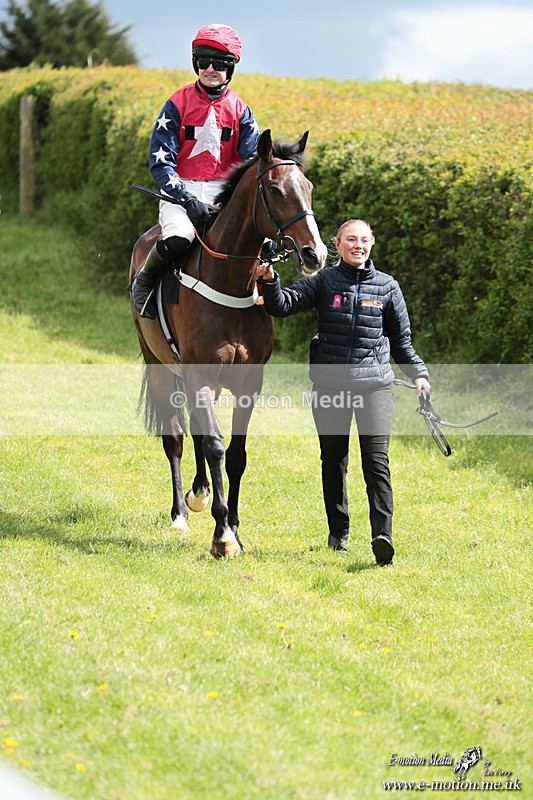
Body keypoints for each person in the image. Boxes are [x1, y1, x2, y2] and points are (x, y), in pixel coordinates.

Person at [257, 219, 431, 566]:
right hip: (330, 388)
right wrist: (271, 282)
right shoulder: (323, 281)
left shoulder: (388, 287)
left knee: (376, 463)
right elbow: (284, 305)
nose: (358, 245)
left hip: (375, 388)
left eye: (364, 240)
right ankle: (338, 534)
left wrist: (419, 376)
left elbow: (402, 343)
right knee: (334, 461)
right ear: (337, 244)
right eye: (351, 239)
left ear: (372, 244)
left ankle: (383, 536)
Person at [132, 23, 262, 317]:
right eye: (203, 62)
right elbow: (160, 161)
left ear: (231, 67)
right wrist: (185, 198)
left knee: (260, 242)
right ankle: (145, 281)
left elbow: (251, 164)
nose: (210, 69)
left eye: (219, 63)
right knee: (179, 238)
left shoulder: (241, 109)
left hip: (223, 194)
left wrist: (231, 200)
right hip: (181, 191)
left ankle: (268, 301)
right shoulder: (176, 104)